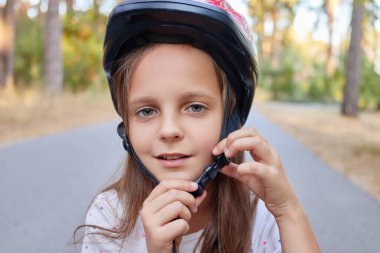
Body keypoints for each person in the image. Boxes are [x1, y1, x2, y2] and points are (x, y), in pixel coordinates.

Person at [78, 1, 321, 252]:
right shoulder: (109, 217)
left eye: (195, 107)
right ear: (126, 126)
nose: (169, 130)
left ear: (230, 120)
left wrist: (288, 211)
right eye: (147, 111)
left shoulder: (263, 215)